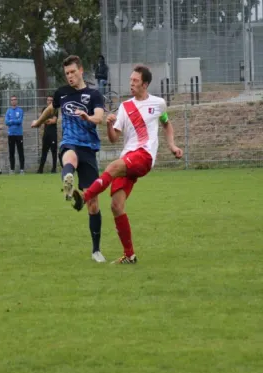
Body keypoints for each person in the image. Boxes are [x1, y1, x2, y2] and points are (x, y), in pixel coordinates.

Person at [71, 65, 183, 264]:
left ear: (145, 84)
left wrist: (172, 145)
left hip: (144, 156)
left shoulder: (158, 103)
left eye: (135, 81)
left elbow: (166, 123)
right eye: (130, 80)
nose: (131, 84)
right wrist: (108, 125)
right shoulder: (125, 107)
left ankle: (84, 196)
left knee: (111, 168)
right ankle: (129, 255)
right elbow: (114, 138)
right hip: (128, 156)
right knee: (116, 206)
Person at [31, 55, 106, 263]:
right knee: (69, 159)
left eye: (73, 72)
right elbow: (51, 109)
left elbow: (99, 117)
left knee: (93, 204)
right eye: (67, 74)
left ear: (81, 70)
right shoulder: (62, 94)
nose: (70, 76)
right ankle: (68, 184)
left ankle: (96, 250)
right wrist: (39, 121)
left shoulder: (93, 95)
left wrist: (88, 117)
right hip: (70, 142)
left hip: (88, 149)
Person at [37, 95, 59, 174]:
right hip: (46, 134)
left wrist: (46, 119)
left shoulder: (55, 110)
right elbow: (41, 120)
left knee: (54, 152)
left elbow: (53, 121)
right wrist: (46, 120)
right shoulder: (44, 110)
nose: (49, 101)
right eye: (48, 100)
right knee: (44, 152)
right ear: (46, 101)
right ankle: (40, 169)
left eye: (51, 100)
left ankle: (54, 169)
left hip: (53, 134)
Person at [5, 95, 25, 174]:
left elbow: (19, 121)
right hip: (11, 135)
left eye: (15, 99)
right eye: (12, 100)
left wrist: (11, 121)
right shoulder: (8, 111)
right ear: (10, 101)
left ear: (17, 101)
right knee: (11, 152)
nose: (13, 101)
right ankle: (12, 169)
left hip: (19, 134)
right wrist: (14, 121)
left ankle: (22, 169)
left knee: (20, 152)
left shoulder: (20, 110)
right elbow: (6, 122)